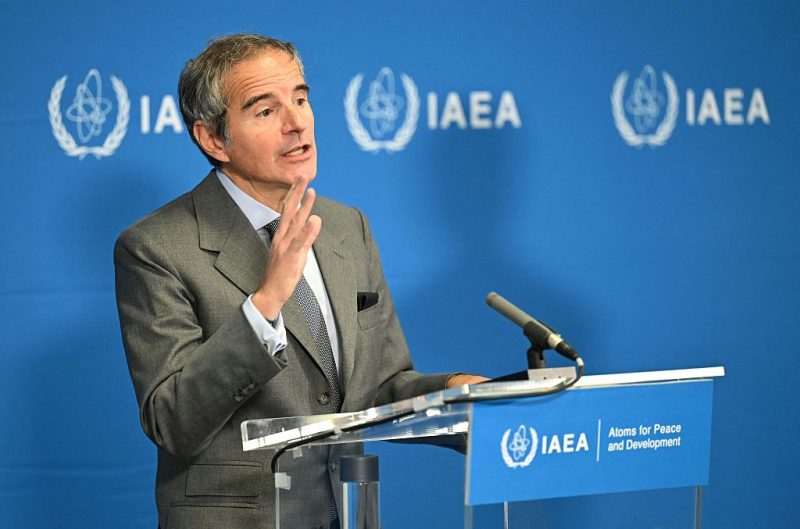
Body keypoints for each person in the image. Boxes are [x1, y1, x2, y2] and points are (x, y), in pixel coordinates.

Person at [114, 33, 484, 529]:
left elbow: (381, 387)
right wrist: (265, 303)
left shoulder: (346, 227)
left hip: (345, 512)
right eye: (265, 111)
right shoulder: (156, 247)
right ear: (213, 139)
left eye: (301, 99)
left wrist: (461, 394)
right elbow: (172, 421)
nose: (297, 123)